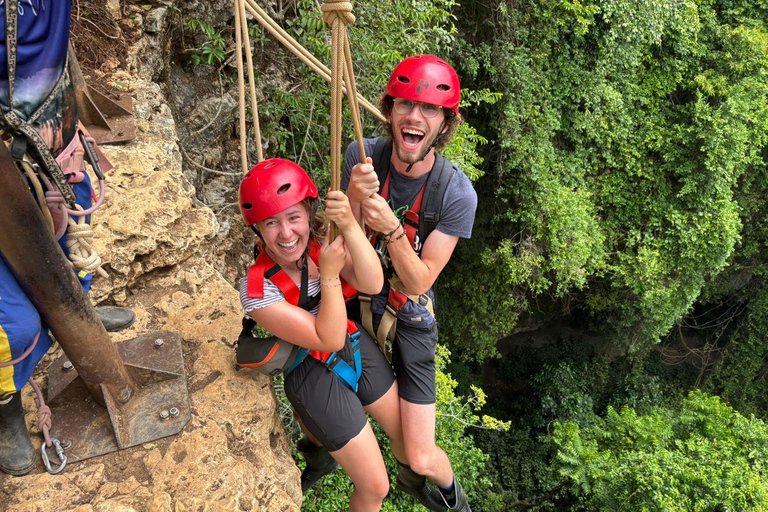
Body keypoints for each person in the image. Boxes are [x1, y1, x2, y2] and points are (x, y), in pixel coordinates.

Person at [238, 158, 444, 511]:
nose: (286, 234)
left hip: (353, 344)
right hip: (310, 372)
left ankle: (415, 483)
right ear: (258, 230)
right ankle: (322, 455)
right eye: (271, 223)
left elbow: (372, 282)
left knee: (406, 438)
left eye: (293, 218)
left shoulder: (323, 240)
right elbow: (325, 339)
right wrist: (330, 276)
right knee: (375, 487)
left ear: (308, 211)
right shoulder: (257, 291)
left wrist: (349, 225)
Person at [0, 1, 132, 476]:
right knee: (14, 327)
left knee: (73, 264)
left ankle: (72, 319)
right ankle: (5, 405)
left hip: (55, 161)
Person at [342, 55, 478, 512]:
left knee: (419, 455)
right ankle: (318, 451)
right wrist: (358, 202)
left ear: (444, 124)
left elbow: (420, 279)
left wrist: (393, 228)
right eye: (405, 105)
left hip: (411, 314)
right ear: (390, 110)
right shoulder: (360, 157)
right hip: (356, 300)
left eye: (429, 110)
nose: (414, 117)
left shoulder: (456, 194)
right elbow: (344, 245)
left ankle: (452, 498)